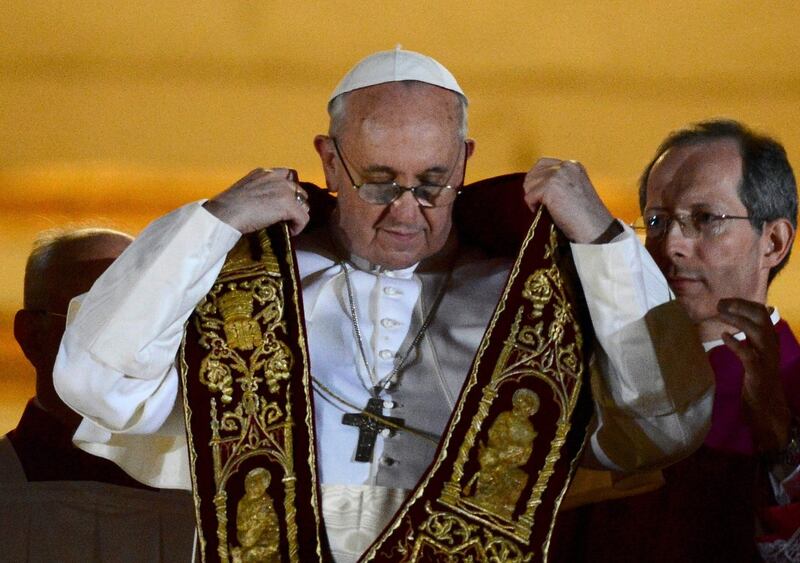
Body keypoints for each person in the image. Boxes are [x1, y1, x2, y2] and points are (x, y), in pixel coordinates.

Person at [53, 48, 713, 562]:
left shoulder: (531, 306)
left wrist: (603, 239)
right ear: (330, 163)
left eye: (433, 182)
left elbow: (666, 427)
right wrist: (211, 224)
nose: (407, 212)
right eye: (379, 181)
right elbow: (98, 382)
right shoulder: (242, 288)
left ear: (465, 160)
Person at [550, 119, 800, 562]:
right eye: (657, 221)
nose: (672, 246)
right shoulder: (585, 370)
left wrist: (779, 445)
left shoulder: (790, 387)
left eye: (706, 219)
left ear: (774, 242)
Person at [1, 227, 196, 562]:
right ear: (31, 334)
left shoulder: (202, 492)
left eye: (143, 315)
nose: (132, 338)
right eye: (100, 316)